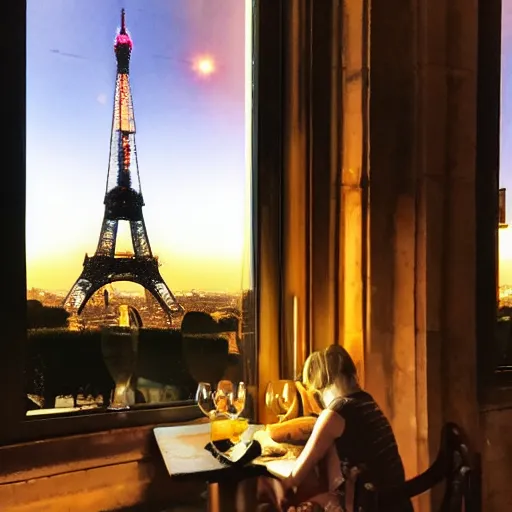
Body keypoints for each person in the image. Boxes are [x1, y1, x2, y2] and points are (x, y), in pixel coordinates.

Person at [273, 345, 413, 512]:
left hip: (371, 505)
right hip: (397, 504)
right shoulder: (366, 401)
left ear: (319, 384)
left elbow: (295, 477)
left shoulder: (336, 412)